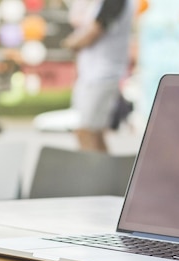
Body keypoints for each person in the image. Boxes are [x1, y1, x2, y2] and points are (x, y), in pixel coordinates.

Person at [62, 0, 134, 152]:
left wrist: (71, 43)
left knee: (85, 132)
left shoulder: (116, 2)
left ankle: (95, 174)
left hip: (103, 75)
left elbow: (93, 32)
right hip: (93, 74)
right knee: (95, 133)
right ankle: (106, 174)